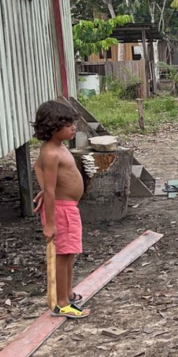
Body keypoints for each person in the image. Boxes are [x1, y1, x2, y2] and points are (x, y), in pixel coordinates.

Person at [32, 101, 90, 318]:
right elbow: (49, 185)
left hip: (68, 208)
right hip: (60, 211)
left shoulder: (59, 146)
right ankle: (61, 303)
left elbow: (37, 168)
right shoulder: (51, 153)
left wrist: (46, 191)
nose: (73, 127)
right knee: (62, 256)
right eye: (68, 124)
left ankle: (67, 293)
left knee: (70, 253)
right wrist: (50, 223)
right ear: (53, 126)